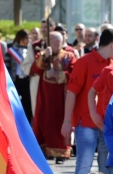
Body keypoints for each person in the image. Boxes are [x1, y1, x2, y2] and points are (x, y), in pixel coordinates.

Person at [61, 28, 113, 174]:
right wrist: (67, 121)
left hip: (105, 126)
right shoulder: (84, 62)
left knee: (105, 168)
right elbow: (71, 92)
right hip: (85, 124)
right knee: (84, 166)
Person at [31, 31, 77, 163]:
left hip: (61, 97)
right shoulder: (43, 54)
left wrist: (58, 74)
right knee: (42, 121)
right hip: (44, 96)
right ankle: (43, 151)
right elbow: (35, 69)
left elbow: (74, 73)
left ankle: (61, 153)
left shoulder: (69, 56)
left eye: (50, 40)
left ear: (58, 42)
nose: (47, 43)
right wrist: (45, 57)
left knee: (58, 124)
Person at [22, 18, 54, 123]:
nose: (43, 29)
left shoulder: (60, 44)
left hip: (55, 84)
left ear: (52, 28)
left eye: (46, 27)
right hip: (38, 83)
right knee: (39, 116)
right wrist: (41, 60)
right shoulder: (34, 46)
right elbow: (26, 67)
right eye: (42, 27)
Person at [5, 29, 32, 123]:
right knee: (13, 103)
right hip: (15, 80)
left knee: (27, 104)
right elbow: (7, 65)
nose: (28, 39)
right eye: (26, 37)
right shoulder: (12, 50)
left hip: (26, 80)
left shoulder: (30, 49)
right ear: (21, 37)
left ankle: (27, 123)